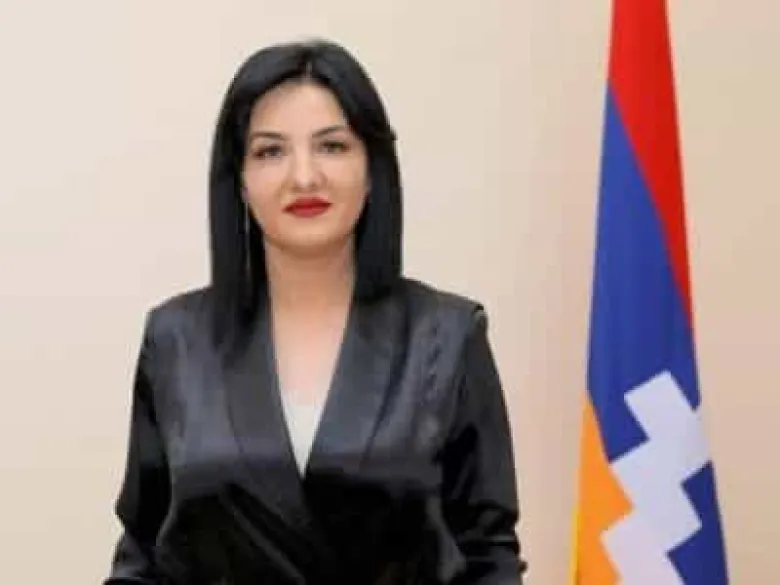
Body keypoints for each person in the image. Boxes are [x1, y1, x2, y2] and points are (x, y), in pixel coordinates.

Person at [104, 38, 527, 585]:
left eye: (332, 146)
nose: (303, 177)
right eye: (270, 152)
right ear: (240, 180)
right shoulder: (176, 340)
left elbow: (488, 555)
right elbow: (142, 551)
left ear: (372, 169)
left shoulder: (446, 338)